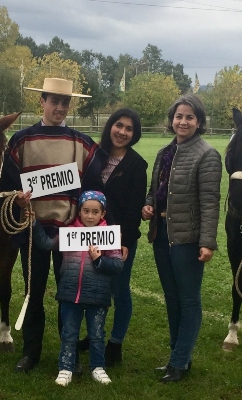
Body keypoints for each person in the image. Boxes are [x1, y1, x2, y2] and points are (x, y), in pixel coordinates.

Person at [0, 77, 103, 373]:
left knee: (69, 295)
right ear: (41, 102)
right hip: (32, 232)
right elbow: (7, 186)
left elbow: (94, 186)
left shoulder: (81, 142)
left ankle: (68, 354)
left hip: (70, 233)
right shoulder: (20, 140)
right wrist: (18, 200)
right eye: (54, 101)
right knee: (33, 293)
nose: (59, 107)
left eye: (65, 102)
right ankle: (31, 352)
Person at [142, 94, 221, 382]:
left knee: (188, 301)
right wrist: (148, 204)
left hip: (188, 240)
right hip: (162, 236)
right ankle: (178, 357)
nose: (183, 121)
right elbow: (155, 190)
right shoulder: (164, 152)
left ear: (198, 121)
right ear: (172, 120)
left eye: (189, 117)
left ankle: (180, 361)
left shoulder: (207, 154)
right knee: (172, 299)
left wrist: (207, 242)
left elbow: (210, 202)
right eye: (179, 116)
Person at [30, 191, 123, 386]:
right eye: (86, 211)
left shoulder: (109, 235)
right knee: (69, 334)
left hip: (97, 296)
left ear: (103, 214)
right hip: (70, 293)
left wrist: (99, 260)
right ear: (79, 211)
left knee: (97, 335)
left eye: (95, 212)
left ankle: (98, 367)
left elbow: (117, 265)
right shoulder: (69, 232)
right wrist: (34, 223)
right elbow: (46, 244)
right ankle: (66, 367)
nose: (90, 216)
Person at [79, 108, 148, 366]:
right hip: (91, 235)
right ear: (110, 126)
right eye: (119, 125)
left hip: (119, 239)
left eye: (129, 129)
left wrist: (126, 242)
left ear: (134, 134)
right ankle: (92, 336)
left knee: (120, 292)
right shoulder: (95, 156)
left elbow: (134, 207)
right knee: (94, 289)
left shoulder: (137, 164)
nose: (122, 132)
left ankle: (115, 343)